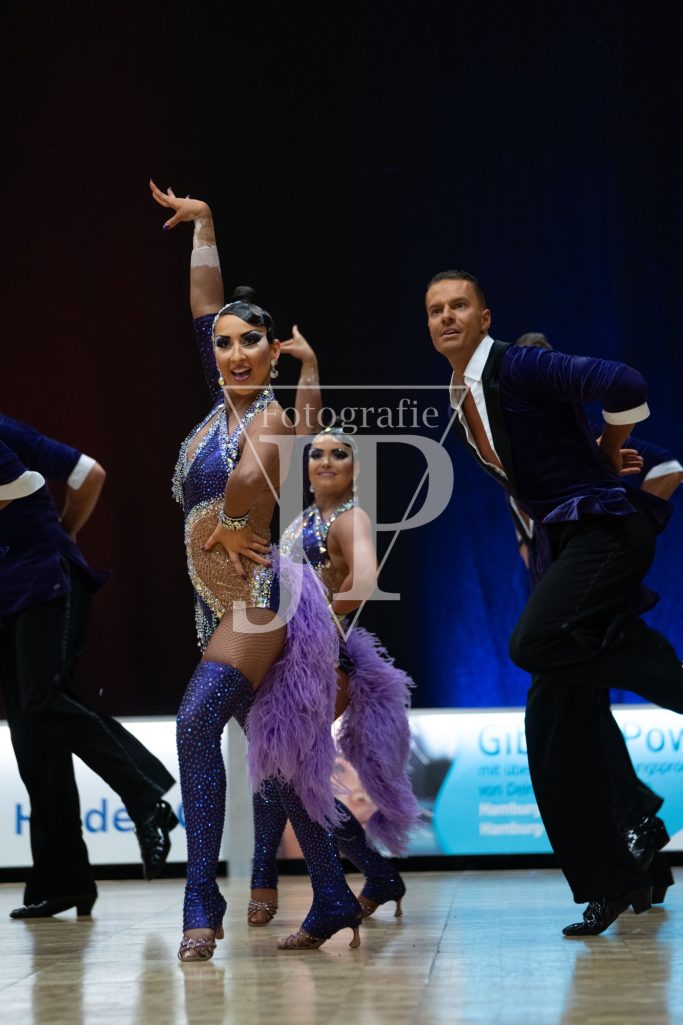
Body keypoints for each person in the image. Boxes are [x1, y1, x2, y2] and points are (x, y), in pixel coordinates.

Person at [425, 269, 683, 936]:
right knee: (550, 731)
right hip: (564, 550)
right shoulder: (459, 392)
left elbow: (624, 382)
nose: (446, 316)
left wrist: (610, 447)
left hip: (604, 532)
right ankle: (616, 880)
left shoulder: (520, 365)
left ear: (485, 317)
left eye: (459, 305)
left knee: (530, 643)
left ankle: (656, 667)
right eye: (435, 310)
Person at [150, 181, 364, 959]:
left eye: (251, 342)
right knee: (277, 762)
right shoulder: (222, 405)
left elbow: (250, 482)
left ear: (273, 353)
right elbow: (204, 304)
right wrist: (203, 225)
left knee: (194, 723)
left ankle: (200, 898)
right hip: (213, 603)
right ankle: (335, 892)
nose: (235, 351)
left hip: (256, 600)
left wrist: (233, 518)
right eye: (225, 343)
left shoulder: (269, 414)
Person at [510, 332, 683, 902]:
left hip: (594, 600)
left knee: (582, 717)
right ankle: (640, 850)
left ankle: (636, 828)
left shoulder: (584, 439)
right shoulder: (519, 452)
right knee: (581, 724)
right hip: (560, 606)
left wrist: (633, 505)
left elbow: (669, 467)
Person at [0, 415, 178, 920]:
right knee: (32, 737)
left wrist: (66, 535)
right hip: (10, 596)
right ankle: (65, 881)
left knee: (42, 699)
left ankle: (146, 795)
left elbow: (86, 474)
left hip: (47, 579)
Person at [247, 425, 419, 926]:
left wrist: (312, 622)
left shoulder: (350, 519)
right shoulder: (305, 519)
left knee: (282, 769)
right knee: (289, 777)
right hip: (290, 659)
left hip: (321, 662)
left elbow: (364, 581)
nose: (325, 461)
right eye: (317, 453)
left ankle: (265, 880)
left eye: (339, 454)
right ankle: (378, 875)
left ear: (356, 469)